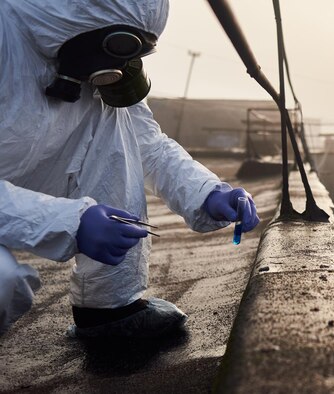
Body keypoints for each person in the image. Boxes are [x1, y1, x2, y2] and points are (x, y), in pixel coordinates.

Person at [0, 0, 260, 338]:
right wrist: (68, 223)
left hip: (19, 179)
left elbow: (146, 144)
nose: (120, 64)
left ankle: (110, 307)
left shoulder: (95, 64)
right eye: (116, 46)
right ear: (74, 17)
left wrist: (208, 192)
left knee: (115, 120)